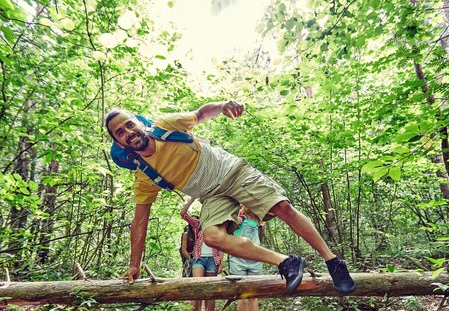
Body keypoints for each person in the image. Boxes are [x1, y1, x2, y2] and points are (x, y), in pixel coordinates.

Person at [105, 100, 355, 295]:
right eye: (120, 133)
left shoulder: (165, 126)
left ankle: (333, 263)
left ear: (138, 122)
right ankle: (287, 263)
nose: (128, 131)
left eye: (129, 124)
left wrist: (223, 106)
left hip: (231, 172)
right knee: (213, 237)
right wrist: (134, 264)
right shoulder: (144, 177)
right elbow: (139, 223)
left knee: (282, 207)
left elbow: (200, 114)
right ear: (120, 144)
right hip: (210, 195)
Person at [181, 198, 222, 311]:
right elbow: (183, 214)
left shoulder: (219, 223)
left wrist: (220, 262)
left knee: (211, 293)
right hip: (199, 259)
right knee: (197, 289)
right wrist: (192, 199)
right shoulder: (198, 224)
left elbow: (222, 243)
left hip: (213, 259)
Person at [229, 205, 265, 311]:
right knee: (242, 298)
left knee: (254, 297)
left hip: (255, 259)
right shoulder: (237, 214)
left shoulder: (259, 218)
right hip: (237, 259)